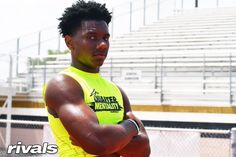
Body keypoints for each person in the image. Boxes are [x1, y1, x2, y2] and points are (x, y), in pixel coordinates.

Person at [43, 0, 150, 156]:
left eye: (105, 38)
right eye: (92, 37)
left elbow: (143, 150)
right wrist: (132, 126)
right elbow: (98, 142)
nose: (103, 45)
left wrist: (108, 140)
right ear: (69, 42)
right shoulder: (62, 84)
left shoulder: (117, 91)